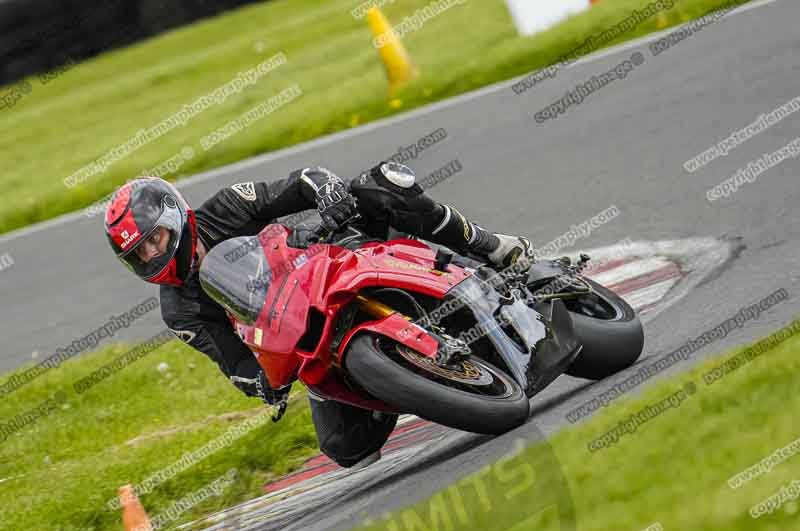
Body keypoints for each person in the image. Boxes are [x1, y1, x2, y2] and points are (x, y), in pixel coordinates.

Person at [104, 162, 534, 468]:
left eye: (154, 240)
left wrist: (327, 195)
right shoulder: (180, 311)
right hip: (304, 334)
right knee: (346, 448)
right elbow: (232, 362)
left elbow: (302, 181)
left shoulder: (227, 206)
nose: (151, 255)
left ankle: (490, 246)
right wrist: (262, 383)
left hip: (332, 256)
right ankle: (401, 380)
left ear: (174, 215)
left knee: (380, 184)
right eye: (138, 253)